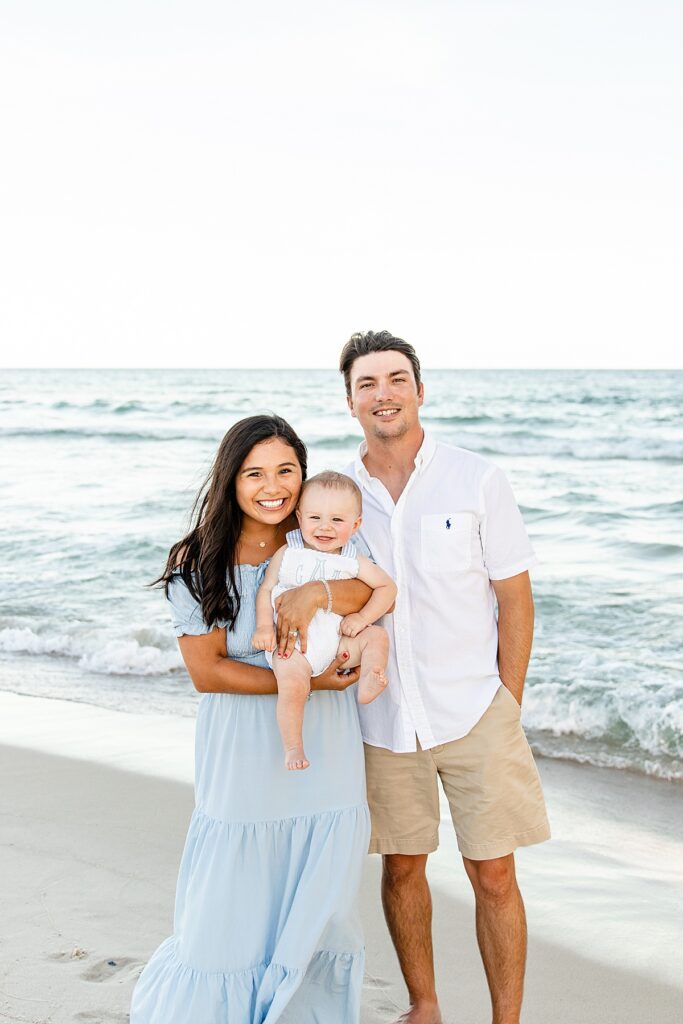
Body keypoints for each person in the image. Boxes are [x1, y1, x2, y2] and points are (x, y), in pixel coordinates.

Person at [130, 415, 372, 1024]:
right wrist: (306, 680)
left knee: (322, 891)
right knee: (233, 891)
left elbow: (369, 594)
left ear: (304, 473)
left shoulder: (324, 533)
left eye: (286, 470)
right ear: (230, 479)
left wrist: (315, 595)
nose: (273, 486)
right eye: (254, 472)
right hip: (242, 744)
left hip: (329, 745)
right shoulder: (199, 557)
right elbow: (207, 671)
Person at [340, 331, 551, 1024]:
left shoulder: (476, 478)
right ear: (350, 401)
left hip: (474, 711)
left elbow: (514, 598)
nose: (383, 394)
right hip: (382, 717)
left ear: (419, 390)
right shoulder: (338, 496)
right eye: (367, 383)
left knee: (493, 873)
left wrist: (507, 700)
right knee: (401, 868)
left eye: (395, 379)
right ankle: (423, 1006)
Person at [253, 470, 397, 770]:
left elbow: (388, 589)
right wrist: (265, 626)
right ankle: (293, 747)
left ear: (356, 525)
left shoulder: (352, 559)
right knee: (292, 687)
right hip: (290, 644)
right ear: (300, 517)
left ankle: (371, 676)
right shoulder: (288, 552)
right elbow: (266, 589)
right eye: (315, 518)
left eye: (337, 520)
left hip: (336, 641)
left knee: (377, 637)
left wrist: (362, 617)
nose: (325, 528)